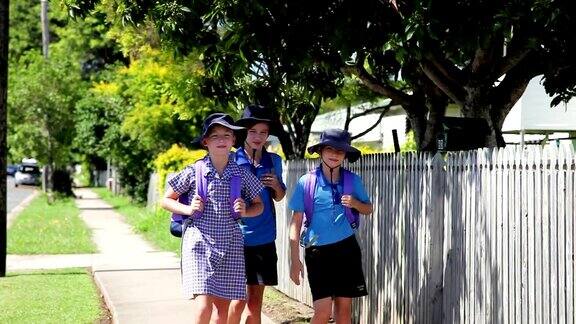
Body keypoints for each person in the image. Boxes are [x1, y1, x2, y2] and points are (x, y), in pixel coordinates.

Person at [161, 113, 265, 324]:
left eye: (227, 135)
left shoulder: (241, 174)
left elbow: (260, 206)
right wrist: (189, 209)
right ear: (205, 141)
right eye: (215, 135)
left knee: (221, 312)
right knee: (203, 307)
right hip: (198, 245)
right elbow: (166, 200)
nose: (221, 140)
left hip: (231, 245)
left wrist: (246, 210)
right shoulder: (194, 171)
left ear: (234, 140)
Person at [288, 128, 373, 324]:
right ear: (320, 151)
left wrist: (355, 204)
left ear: (345, 155)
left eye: (340, 151)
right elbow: (296, 223)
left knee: (344, 312)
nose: (334, 154)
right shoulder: (307, 182)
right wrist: (294, 259)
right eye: (329, 149)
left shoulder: (353, 180)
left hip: (347, 249)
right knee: (323, 312)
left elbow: (368, 209)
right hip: (317, 253)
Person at [228, 105, 287, 324]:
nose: (258, 137)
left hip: (264, 238)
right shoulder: (232, 160)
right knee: (237, 301)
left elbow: (279, 197)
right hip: (235, 238)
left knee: (255, 303)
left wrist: (276, 186)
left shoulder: (274, 161)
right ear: (244, 132)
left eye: (263, 132)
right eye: (253, 131)